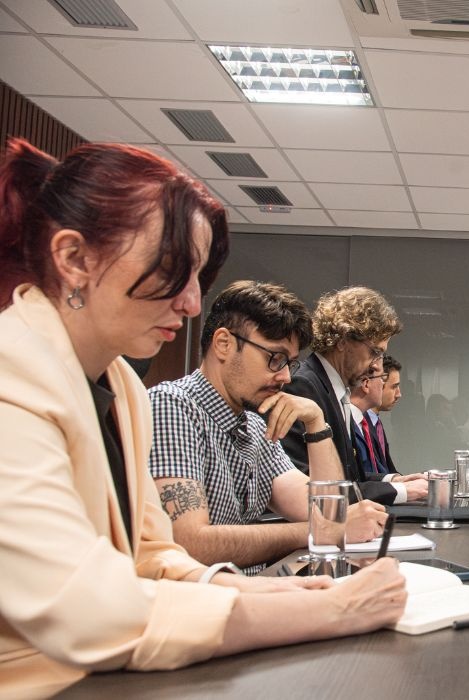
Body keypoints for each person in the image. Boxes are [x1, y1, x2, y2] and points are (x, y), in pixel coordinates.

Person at [0, 139, 406, 696]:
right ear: (74, 259)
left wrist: (271, 592)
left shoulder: (122, 385)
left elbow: (154, 555)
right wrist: (331, 610)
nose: (191, 302)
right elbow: (85, 610)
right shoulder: (13, 372)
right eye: (172, 271)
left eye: (196, 278)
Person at [147, 281, 389, 574]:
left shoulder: (252, 425)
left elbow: (324, 513)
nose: (285, 376)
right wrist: (321, 531)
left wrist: (316, 422)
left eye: (290, 363)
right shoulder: (173, 405)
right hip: (205, 597)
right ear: (223, 344)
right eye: (275, 358)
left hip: (256, 589)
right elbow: (190, 543)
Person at [280, 286, 427, 505]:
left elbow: (350, 476)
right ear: (343, 340)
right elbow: (314, 486)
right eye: (374, 352)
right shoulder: (303, 386)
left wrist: (394, 481)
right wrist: (402, 491)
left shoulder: (335, 389)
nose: (376, 365)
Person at [348, 367, 390, 476]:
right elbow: (354, 476)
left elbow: (373, 471)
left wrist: (396, 479)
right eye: (382, 378)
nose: (383, 384)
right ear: (366, 384)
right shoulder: (345, 422)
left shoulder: (364, 422)